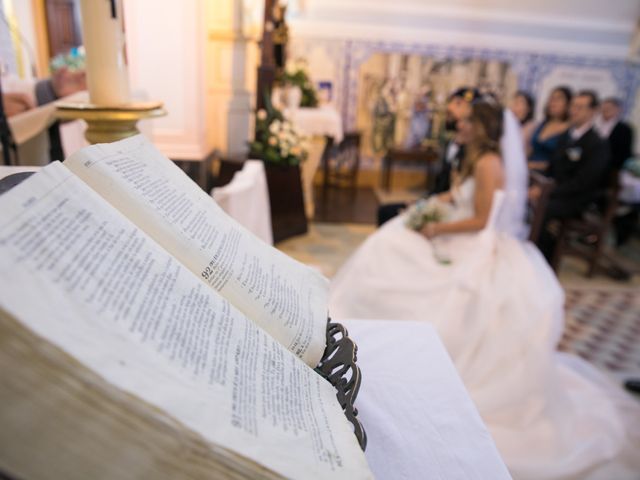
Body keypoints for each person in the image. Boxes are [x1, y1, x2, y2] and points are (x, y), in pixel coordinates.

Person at [330, 99, 640, 480]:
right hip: (458, 230)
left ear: (481, 126)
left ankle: (394, 354)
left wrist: (435, 229)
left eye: (467, 120)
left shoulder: (489, 162)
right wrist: (423, 207)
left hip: (475, 244)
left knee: (399, 254)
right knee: (393, 236)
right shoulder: (472, 156)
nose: (459, 122)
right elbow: (458, 196)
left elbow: (479, 220)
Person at [534, 90, 610, 261]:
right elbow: (551, 168)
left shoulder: (597, 143)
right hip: (558, 191)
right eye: (573, 106)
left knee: (544, 210)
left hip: (577, 198)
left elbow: (584, 182)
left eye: (580, 107)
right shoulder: (565, 136)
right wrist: (541, 186)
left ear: (592, 111)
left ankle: (544, 260)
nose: (574, 111)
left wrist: (548, 193)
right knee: (528, 202)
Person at [529, 86, 572, 170]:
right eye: (551, 98)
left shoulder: (570, 130)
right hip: (530, 170)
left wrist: (534, 165)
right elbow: (532, 149)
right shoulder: (543, 124)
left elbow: (565, 160)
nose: (553, 102)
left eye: (558, 99)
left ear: (568, 104)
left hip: (549, 175)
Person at [595, 97, 634, 171]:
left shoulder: (624, 129)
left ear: (617, 110)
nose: (605, 110)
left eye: (609, 108)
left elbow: (624, 152)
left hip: (612, 168)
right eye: (604, 108)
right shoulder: (595, 125)